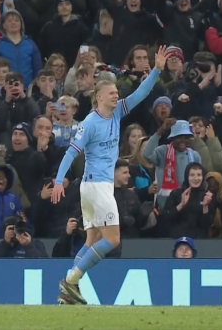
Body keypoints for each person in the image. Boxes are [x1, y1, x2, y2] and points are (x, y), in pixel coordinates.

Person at [50, 46, 167, 305]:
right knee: (112, 240)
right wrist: (58, 180)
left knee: (92, 240)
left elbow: (140, 93)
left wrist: (157, 70)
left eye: (117, 93)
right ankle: (70, 281)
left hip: (92, 189)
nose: (117, 96)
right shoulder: (90, 123)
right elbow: (71, 153)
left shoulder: (116, 113)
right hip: (98, 187)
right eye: (112, 93)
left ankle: (68, 291)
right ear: (99, 96)